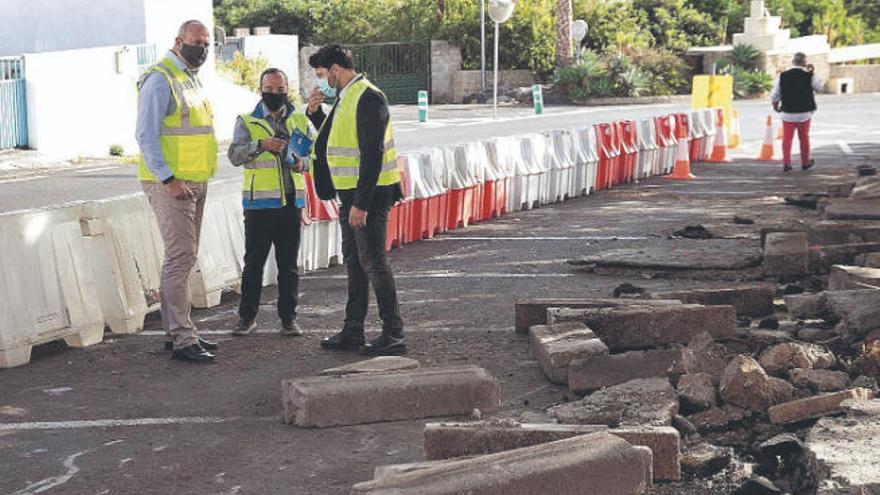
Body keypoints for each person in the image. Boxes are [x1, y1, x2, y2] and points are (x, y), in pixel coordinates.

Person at [306, 44, 406, 356]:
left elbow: (372, 153)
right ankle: (353, 330)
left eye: (323, 75)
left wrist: (361, 204)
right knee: (355, 262)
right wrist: (314, 113)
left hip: (370, 195)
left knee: (373, 262)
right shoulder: (346, 96)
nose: (322, 82)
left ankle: (393, 334)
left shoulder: (368, 96)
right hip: (351, 193)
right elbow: (337, 137)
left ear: (335, 70)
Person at [135, 20, 218, 363]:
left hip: (194, 181)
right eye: (196, 41)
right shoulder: (161, 78)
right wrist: (169, 179)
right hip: (172, 184)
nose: (202, 48)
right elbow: (145, 135)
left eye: (206, 43)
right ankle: (184, 339)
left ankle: (176, 333)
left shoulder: (190, 77)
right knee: (181, 256)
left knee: (182, 257)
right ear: (178, 41)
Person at [228, 68, 313, 337]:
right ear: (260, 89)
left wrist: (302, 163)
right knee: (254, 264)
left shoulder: (300, 119)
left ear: (287, 90)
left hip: (290, 203)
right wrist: (260, 145)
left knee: (288, 265)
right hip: (258, 206)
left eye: (280, 89)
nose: (274, 94)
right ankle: (247, 317)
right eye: (269, 88)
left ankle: (288, 318)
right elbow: (234, 155)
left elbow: (316, 156)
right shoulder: (247, 121)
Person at [771, 52, 824, 173]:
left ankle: (787, 164)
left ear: (793, 62)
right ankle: (805, 163)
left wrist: (775, 106)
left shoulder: (783, 76)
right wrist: (812, 72)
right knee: (804, 138)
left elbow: (775, 94)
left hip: (787, 113)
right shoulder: (809, 76)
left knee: (787, 138)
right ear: (805, 63)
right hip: (804, 113)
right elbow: (820, 88)